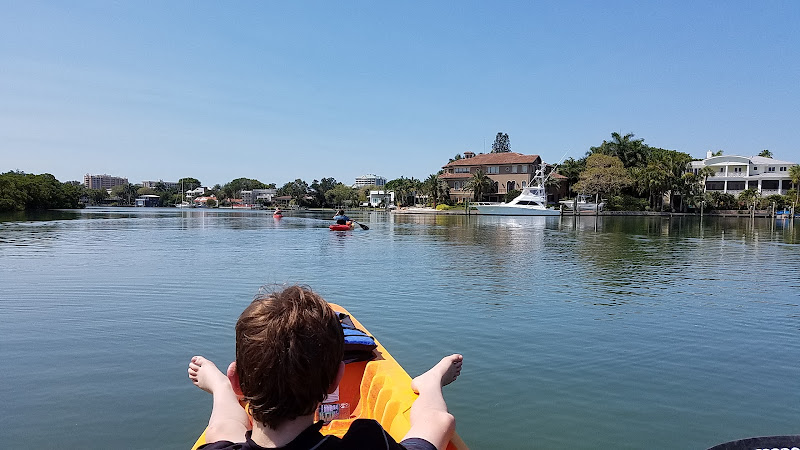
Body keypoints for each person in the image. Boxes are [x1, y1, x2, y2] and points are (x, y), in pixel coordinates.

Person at [188, 285, 463, 450]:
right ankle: (429, 383)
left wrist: (223, 387)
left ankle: (220, 387)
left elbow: (223, 426)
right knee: (436, 422)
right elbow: (439, 423)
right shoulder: (367, 441)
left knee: (222, 430)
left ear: (238, 382)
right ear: (335, 381)